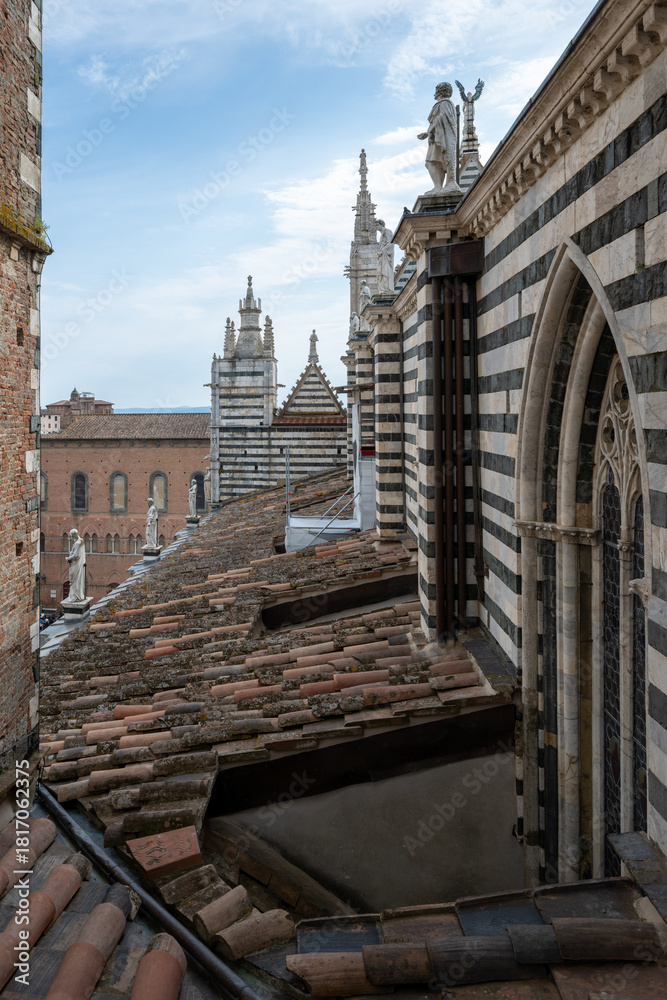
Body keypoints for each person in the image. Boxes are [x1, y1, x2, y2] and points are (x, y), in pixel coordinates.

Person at [418, 82, 462, 194]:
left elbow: (442, 118)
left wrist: (430, 130)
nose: (434, 94)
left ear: (439, 92)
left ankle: (443, 185)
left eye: (435, 91)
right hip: (437, 137)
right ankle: (437, 186)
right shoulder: (442, 104)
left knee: (432, 161)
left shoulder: (445, 103)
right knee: (432, 162)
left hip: (442, 139)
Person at [64, 528, 86, 602]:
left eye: (71, 536)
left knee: (74, 580)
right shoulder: (81, 541)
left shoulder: (77, 543)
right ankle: (78, 595)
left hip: (76, 565)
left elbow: (76, 556)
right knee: (78, 580)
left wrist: (68, 558)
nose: (71, 538)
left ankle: (75, 596)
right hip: (79, 564)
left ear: (73, 535)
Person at [376, 220, 394, 294]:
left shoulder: (388, 232)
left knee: (386, 271)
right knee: (381, 275)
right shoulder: (381, 235)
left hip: (386, 257)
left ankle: (387, 288)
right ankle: (383, 289)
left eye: (377, 225)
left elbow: (390, 244)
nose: (376, 227)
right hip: (382, 257)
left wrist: (382, 251)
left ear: (381, 224)